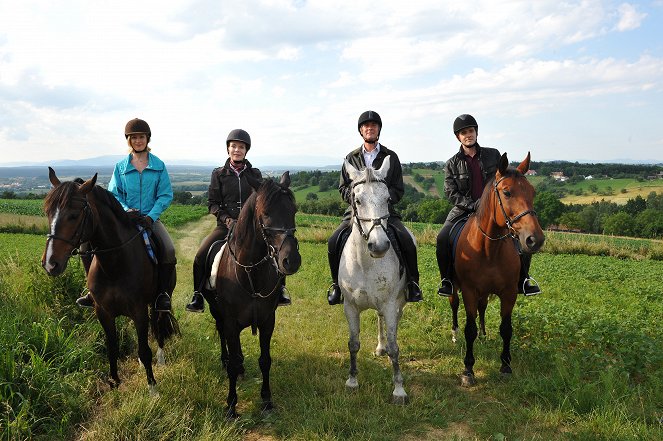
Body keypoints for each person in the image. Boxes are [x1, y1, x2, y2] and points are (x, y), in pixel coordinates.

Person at [76, 118, 176, 312]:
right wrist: (125, 210)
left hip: (150, 218)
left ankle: (162, 294)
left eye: (141, 137)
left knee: (169, 250)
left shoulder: (159, 165)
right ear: (128, 140)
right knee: (85, 245)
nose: (138, 141)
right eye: (134, 138)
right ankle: (92, 291)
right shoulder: (120, 167)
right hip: (124, 219)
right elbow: (114, 193)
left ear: (147, 139)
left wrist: (151, 216)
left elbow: (165, 195)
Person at [186, 129, 291, 313]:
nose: (237, 150)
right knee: (201, 254)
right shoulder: (218, 174)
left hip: (252, 228)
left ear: (246, 151)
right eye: (233, 146)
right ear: (228, 149)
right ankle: (198, 295)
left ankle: (281, 289)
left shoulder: (255, 174)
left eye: (241, 147)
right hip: (226, 227)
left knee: (276, 249)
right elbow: (213, 204)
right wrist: (227, 220)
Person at [436, 114, 541, 296]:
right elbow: (450, 192)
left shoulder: (493, 155)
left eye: (471, 131)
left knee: (520, 236)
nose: (468, 135)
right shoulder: (452, 163)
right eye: (463, 133)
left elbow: (505, 177)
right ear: (458, 137)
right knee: (443, 238)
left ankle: (523, 279)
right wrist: (472, 205)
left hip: (495, 210)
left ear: (476, 132)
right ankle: (447, 281)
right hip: (464, 209)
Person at [326, 110, 423, 305]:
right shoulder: (350, 158)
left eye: (374, 125)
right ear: (361, 131)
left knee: (406, 240)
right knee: (333, 240)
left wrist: (384, 199)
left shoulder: (391, 157)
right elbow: (343, 187)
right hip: (357, 212)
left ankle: (413, 284)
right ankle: (337, 286)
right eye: (366, 126)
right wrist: (354, 199)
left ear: (379, 129)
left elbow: (398, 188)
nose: (370, 128)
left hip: (385, 211)